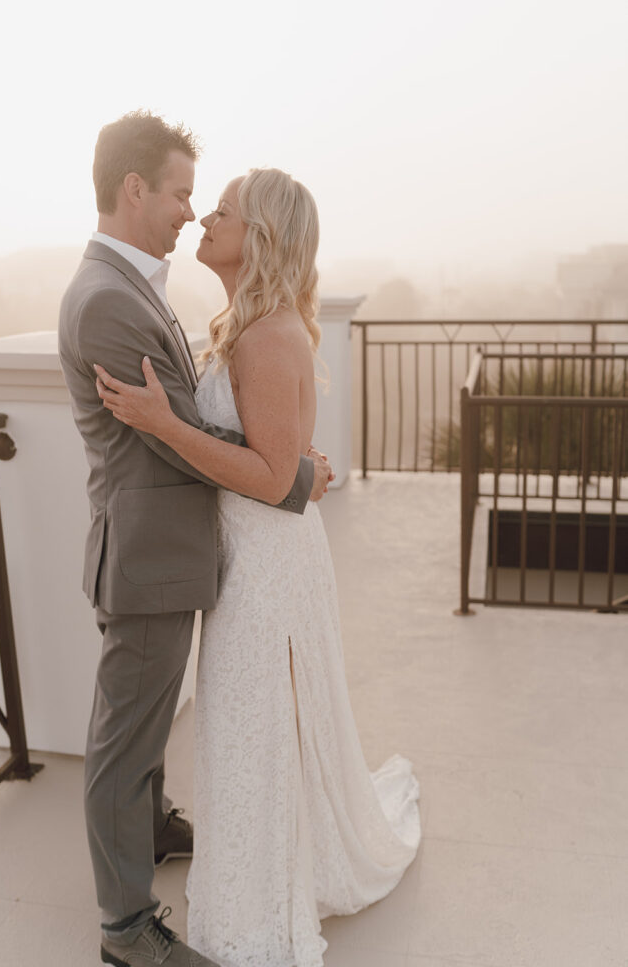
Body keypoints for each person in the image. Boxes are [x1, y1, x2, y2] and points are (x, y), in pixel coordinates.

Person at [95, 167, 421, 967]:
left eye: (224, 211)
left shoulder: (271, 333)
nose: (205, 217)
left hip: (268, 564)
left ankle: (258, 895)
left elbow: (273, 483)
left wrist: (162, 423)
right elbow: (277, 460)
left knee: (254, 725)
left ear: (262, 238)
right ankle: (250, 869)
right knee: (246, 724)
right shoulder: (244, 322)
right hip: (246, 554)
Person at [58, 112, 332, 967]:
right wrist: (298, 478)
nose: (189, 212)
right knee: (123, 739)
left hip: (175, 550)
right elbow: (175, 431)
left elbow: (206, 422)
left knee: (142, 726)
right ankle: (126, 929)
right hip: (149, 555)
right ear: (134, 189)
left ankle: (153, 824)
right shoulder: (108, 298)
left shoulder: (136, 284)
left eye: (205, 202)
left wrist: (284, 465)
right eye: (181, 194)